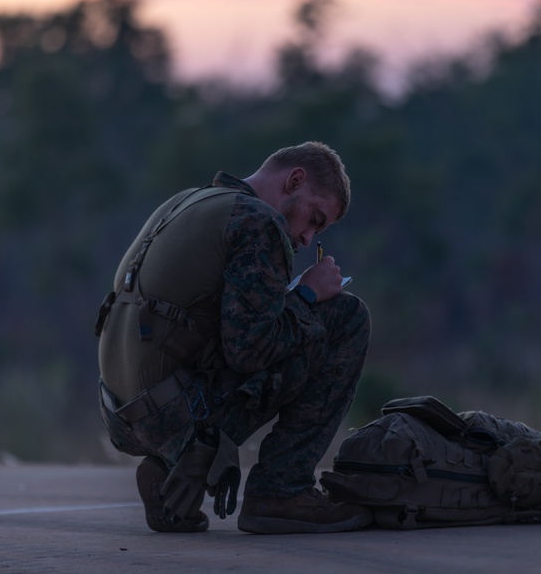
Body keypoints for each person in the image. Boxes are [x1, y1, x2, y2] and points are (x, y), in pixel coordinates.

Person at [95, 141, 372, 535]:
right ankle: (282, 490)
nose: (309, 237)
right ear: (294, 180)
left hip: (122, 415)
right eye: (314, 218)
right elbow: (251, 351)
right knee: (347, 317)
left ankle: (168, 471)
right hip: (174, 413)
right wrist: (308, 294)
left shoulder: (189, 202)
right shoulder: (260, 221)